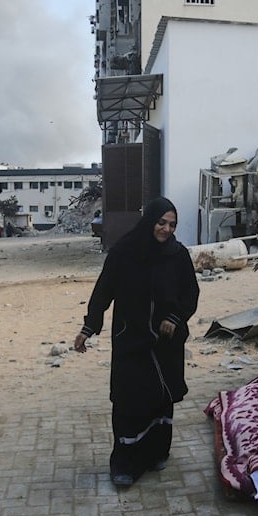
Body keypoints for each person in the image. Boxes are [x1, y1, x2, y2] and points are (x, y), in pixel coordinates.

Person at [74, 197, 199, 488]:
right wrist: (88, 327)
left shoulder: (177, 254)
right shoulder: (124, 253)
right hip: (131, 340)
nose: (166, 229)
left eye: (172, 225)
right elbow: (103, 291)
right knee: (129, 400)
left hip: (166, 343)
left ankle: (157, 452)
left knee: (160, 399)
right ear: (149, 221)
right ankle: (125, 463)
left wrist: (175, 317)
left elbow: (189, 293)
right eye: (161, 222)